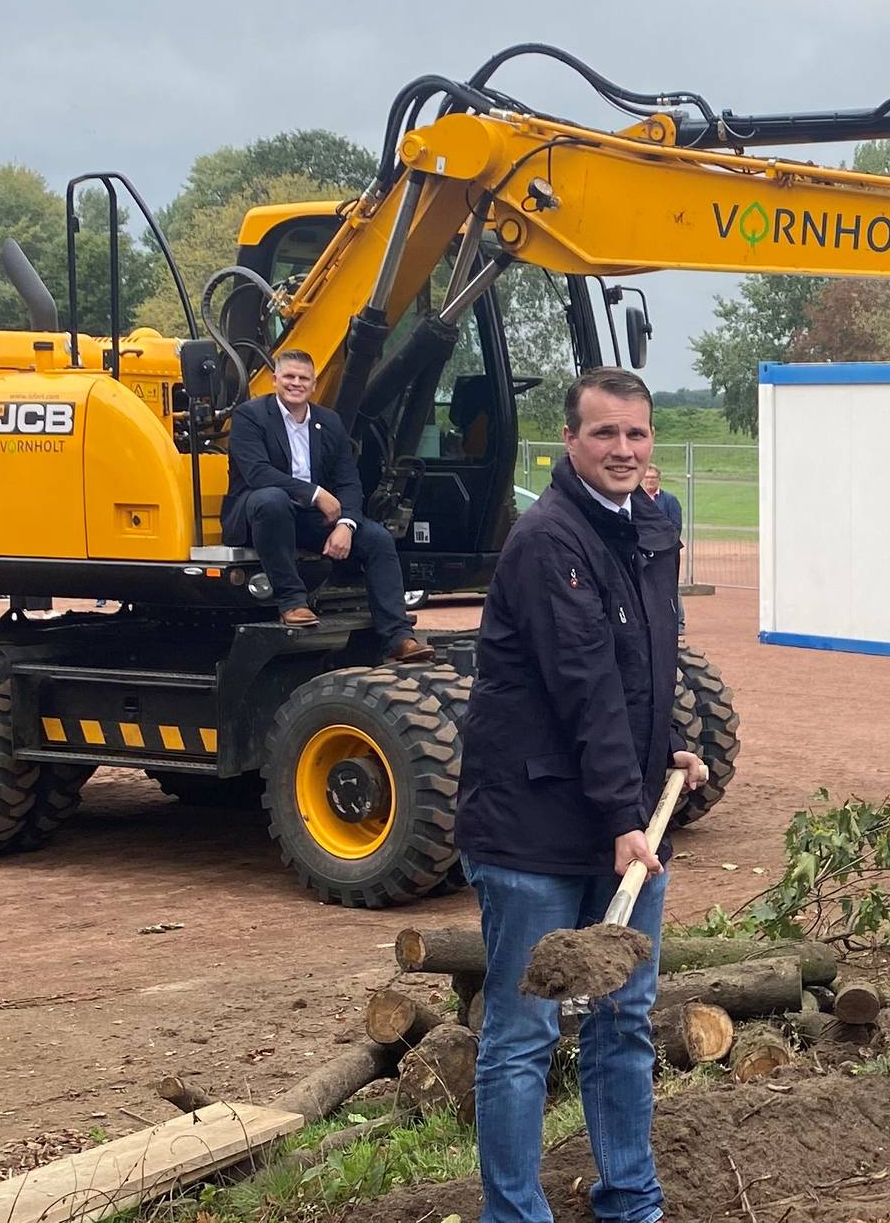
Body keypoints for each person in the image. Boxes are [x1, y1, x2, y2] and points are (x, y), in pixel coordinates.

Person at [454, 367, 709, 1223]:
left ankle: (631, 1201)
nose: (623, 449)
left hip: (618, 822)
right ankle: (515, 1214)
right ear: (569, 441)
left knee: (624, 1020)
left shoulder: (650, 527)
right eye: (604, 433)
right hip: (531, 828)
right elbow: (584, 684)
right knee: (524, 1034)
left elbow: (643, 666)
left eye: (636, 433)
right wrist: (624, 817)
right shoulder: (548, 541)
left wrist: (663, 747)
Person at [222, 348, 431, 659]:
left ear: (314, 384)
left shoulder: (329, 422)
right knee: (272, 498)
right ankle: (292, 603)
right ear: (275, 379)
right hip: (260, 516)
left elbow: (348, 481)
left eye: (303, 378)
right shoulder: (249, 416)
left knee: (378, 539)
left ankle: (398, 637)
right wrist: (316, 494)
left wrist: (346, 524)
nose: (296, 383)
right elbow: (257, 473)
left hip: (308, 518)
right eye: (289, 376)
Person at [638, 462, 685, 538]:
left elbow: (676, 527)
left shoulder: (670, 500)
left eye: (653, 477)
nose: (650, 480)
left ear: (659, 479)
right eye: (646, 477)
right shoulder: (634, 499)